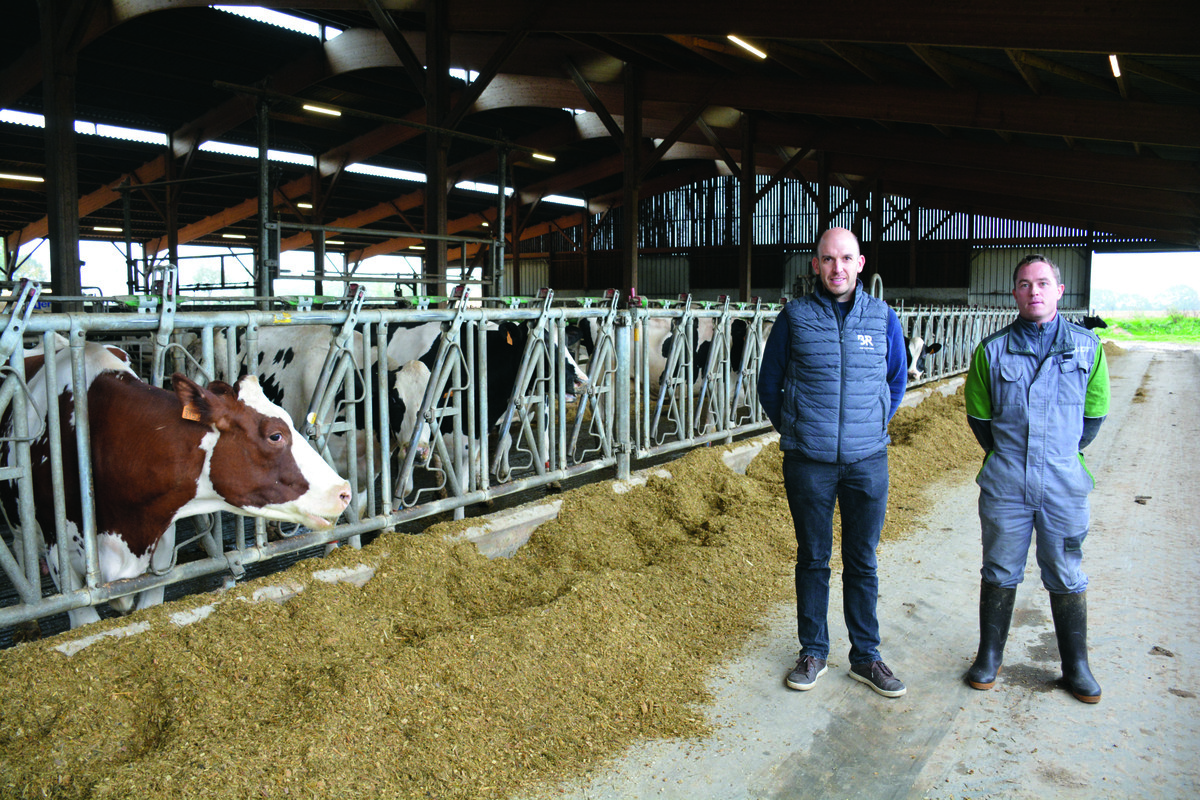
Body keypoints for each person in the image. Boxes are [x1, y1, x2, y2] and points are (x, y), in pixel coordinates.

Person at [757, 227, 909, 698]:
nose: (837, 268)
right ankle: (814, 651)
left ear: (861, 263)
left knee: (862, 561)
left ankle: (865, 656)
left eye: (846, 258)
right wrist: (797, 429)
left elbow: (897, 381)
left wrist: (873, 424)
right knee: (813, 558)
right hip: (809, 461)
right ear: (816, 265)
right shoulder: (795, 317)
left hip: (868, 460)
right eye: (827, 259)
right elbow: (769, 383)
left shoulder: (882, 317)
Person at [963, 254, 1110, 703]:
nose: (1034, 292)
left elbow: (1094, 416)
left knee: (1066, 571)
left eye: (1043, 283)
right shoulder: (992, 350)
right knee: (1000, 567)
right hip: (1007, 481)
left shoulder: (1088, 347)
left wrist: (1057, 454)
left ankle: (1075, 665)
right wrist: (1013, 455)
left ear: (1060, 291)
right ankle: (990, 655)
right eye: (1025, 284)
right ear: (1014, 292)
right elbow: (979, 417)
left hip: (1064, 483)